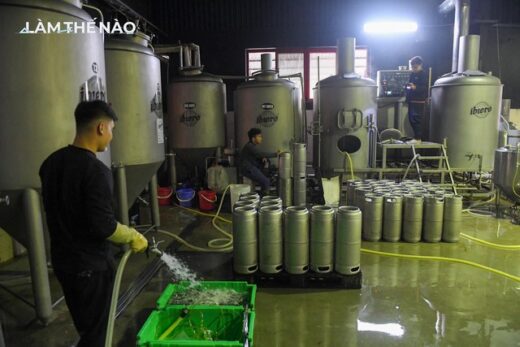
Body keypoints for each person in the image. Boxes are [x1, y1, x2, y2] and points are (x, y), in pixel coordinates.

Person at [39, 100, 148, 347]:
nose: (110, 137)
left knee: (87, 327)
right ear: (101, 127)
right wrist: (132, 235)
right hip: (91, 268)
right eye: (111, 130)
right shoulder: (95, 171)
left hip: (64, 264)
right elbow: (104, 226)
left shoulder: (51, 163)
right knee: (97, 334)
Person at [240, 128, 278, 194]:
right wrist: (276, 154)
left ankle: (262, 196)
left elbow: (257, 155)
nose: (261, 138)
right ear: (253, 138)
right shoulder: (249, 146)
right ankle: (264, 199)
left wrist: (262, 158)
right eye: (259, 136)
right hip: (248, 169)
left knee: (266, 177)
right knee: (266, 182)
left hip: (250, 167)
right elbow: (259, 153)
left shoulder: (252, 146)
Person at [406, 56, 428, 143]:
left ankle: (418, 138)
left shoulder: (423, 74)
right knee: (411, 120)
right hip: (412, 100)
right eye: (412, 67)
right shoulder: (413, 74)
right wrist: (408, 87)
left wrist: (415, 87)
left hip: (419, 101)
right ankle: (416, 137)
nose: (413, 69)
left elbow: (424, 87)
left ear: (420, 65)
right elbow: (410, 85)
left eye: (415, 67)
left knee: (416, 119)